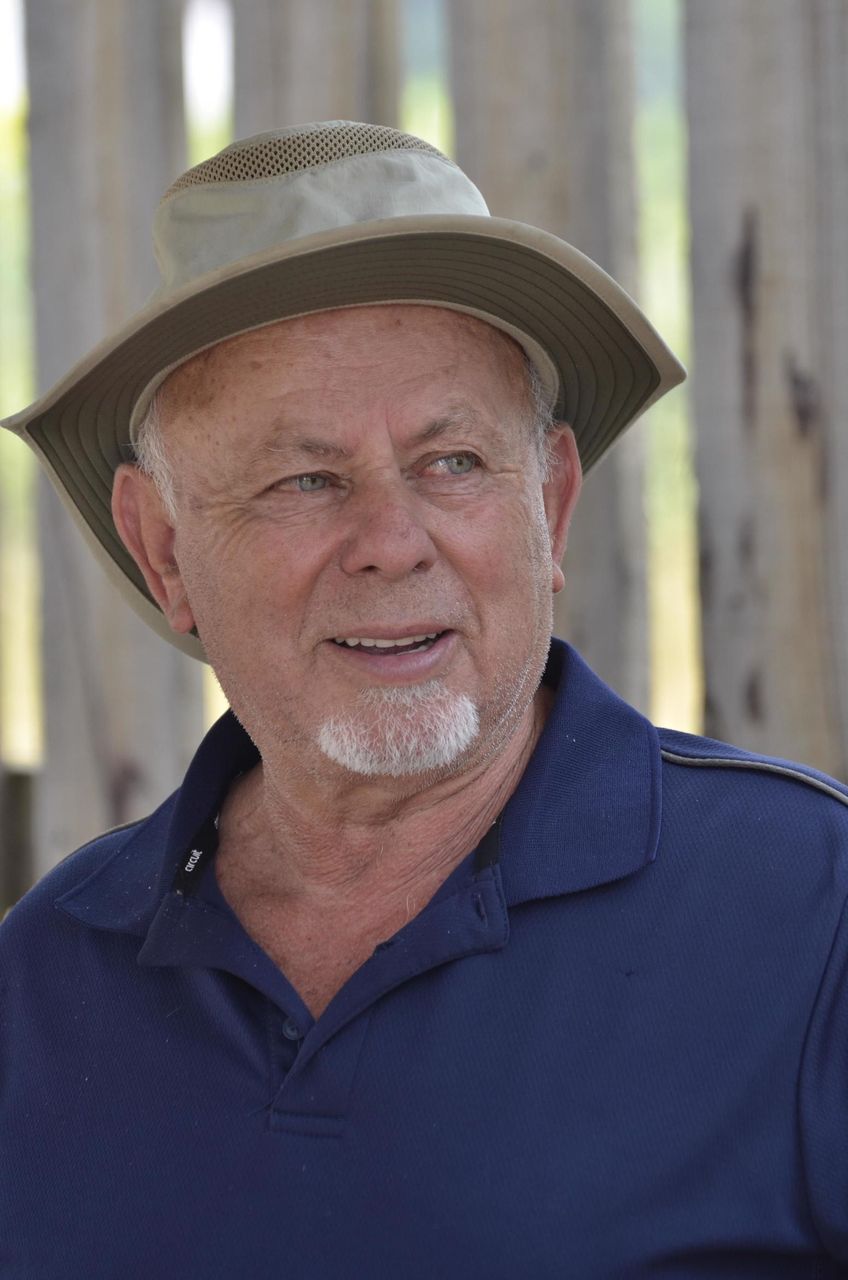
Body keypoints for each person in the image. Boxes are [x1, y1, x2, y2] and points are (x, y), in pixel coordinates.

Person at [1, 120, 847, 1280]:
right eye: (305, 478)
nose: (391, 541)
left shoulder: (810, 909)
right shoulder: (47, 974)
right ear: (162, 549)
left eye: (452, 463)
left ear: (548, 504)